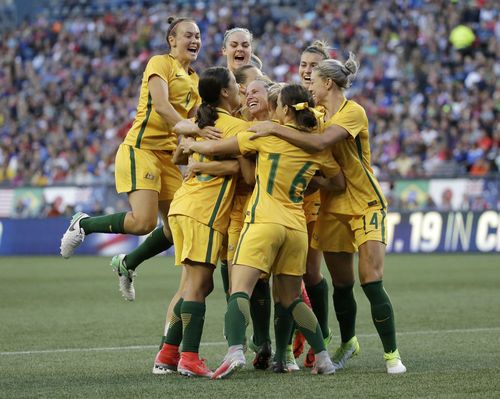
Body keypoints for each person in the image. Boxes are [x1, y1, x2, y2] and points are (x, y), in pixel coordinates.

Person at [248, 53, 407, 374]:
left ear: (328, 83)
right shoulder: (317, 113)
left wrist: (273, 131)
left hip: (365, 202)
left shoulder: (353, 112)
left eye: (315, 81)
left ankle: (393, 356)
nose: (311, 85)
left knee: (370, 279)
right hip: (333, 206)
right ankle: (348, 341)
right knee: (343, 283)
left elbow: (320, 143)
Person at [182, 83, 345, 379]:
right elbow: (338, 183)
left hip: (263, 221)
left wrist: (193, 146)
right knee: (292, 299)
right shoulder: (317, 147)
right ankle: (323, 358)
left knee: (239, 289)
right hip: (296, 229)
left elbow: (222, 147)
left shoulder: (266, 133)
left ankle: (234, 351)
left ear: (283, 110)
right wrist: (314, 183)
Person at [156, 66, 252, 378]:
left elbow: (177, 159)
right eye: (235, 85)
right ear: (225, 92)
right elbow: (243, 172)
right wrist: (211, 164)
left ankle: (168, 353)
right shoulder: (235, 127)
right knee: (198, 286)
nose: (239, 89)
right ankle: (189, 357)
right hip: (204, 211)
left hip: (183, 205)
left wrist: (195, 157)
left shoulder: (200, 121)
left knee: (198, 283)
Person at [294, 40, 332, 368]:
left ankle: (324, 336)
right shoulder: (291, 100)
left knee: (310, 270)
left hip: (315, 197)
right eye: (304, 64)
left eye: (314, 66)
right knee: (289, 271)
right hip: (288, 197)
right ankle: (294, 336)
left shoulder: (331, 108)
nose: (307, 70)